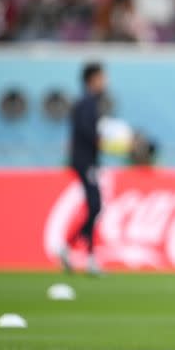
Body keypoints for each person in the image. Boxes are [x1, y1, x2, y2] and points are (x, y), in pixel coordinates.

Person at [59, 62, 106, 275]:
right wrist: (104, 140)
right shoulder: (88, 103)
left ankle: (74, 250)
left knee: (94, 206)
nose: (105, 82)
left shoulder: (86, 103)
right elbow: (87, 131)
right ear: (92, 79)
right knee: (95, 205)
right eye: (101, 78)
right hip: (85, 161)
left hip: (85, 161)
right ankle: (83, 255)